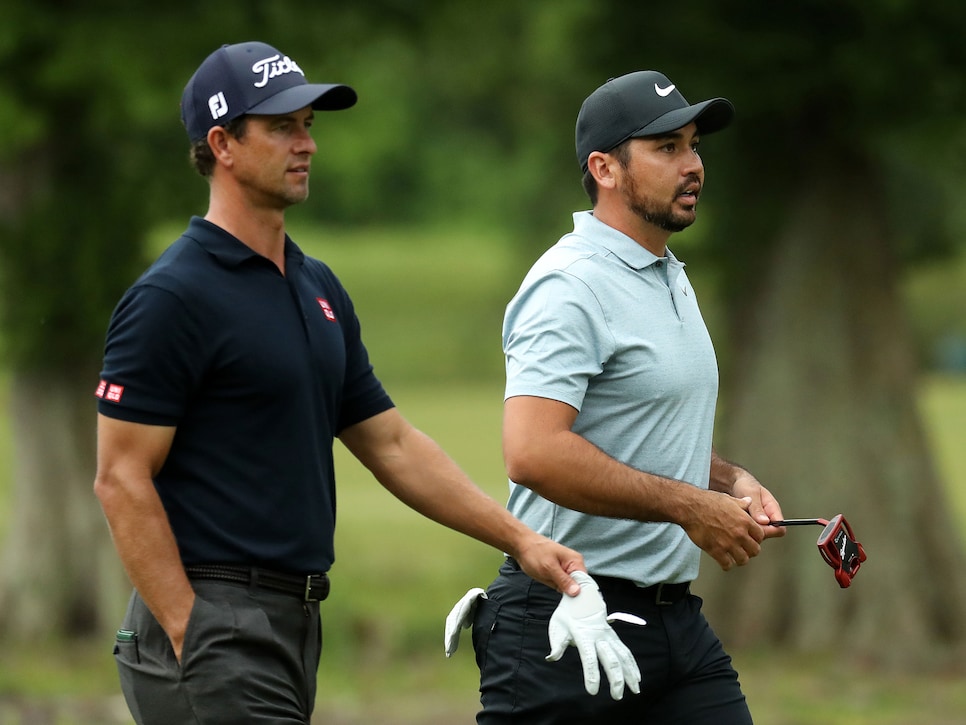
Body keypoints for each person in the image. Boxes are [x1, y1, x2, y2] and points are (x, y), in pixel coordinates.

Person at [92, 41, 589, 725]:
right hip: (214, 618)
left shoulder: (315, 285)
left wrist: (520, 539)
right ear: (222, 143)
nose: (307, 144)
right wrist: (190, 629)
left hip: (292, 623)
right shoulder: (173, 297)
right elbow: (121, 477)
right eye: (282, 126)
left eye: (309, 125)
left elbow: (389, 441)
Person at [467, 71, 787, 724]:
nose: (693, 165)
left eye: (694, 145)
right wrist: (688, 505)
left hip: (673, 621)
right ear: (604, 168)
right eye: (667, 148)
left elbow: (644, 429)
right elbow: (532, 451)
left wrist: (726, 480)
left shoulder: (668, 275)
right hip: (565, 618)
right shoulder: (570, 285)